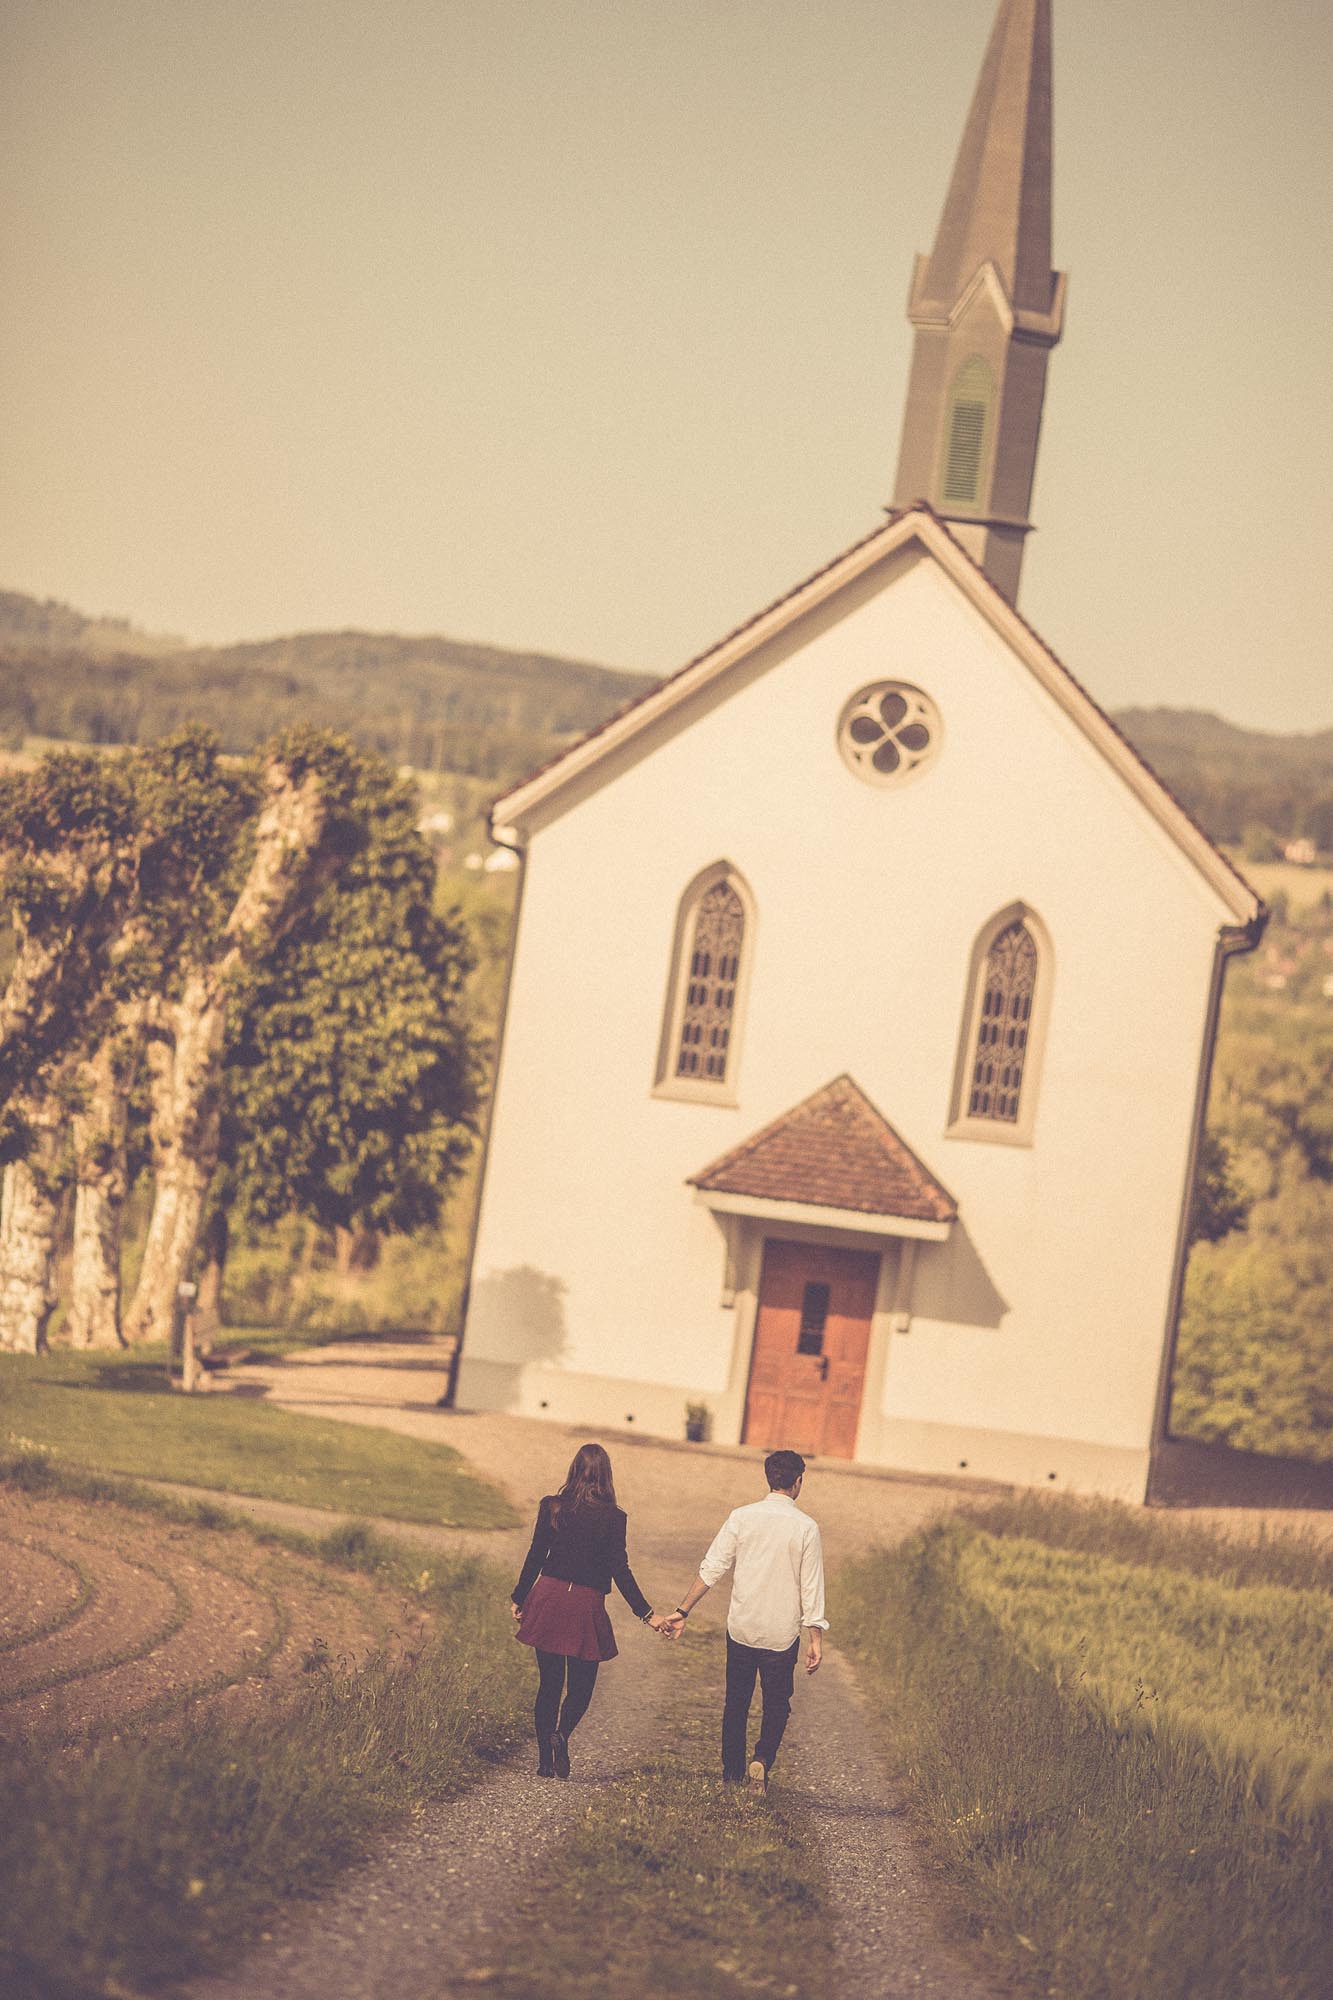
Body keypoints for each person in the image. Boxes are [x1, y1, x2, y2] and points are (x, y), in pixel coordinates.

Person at [662, 1448, 825, 1792]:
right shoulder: (806, 1528)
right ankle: (762, 1760)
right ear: (798, 1482)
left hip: (742, 1627)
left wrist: (683, 1610)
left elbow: (713, 1567)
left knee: (736, 1702)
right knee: (777, 1704)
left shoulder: (742, 1517)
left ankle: (732, 1774)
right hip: (781, 1633)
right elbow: (811, 1587)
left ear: (769, 1479)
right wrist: (815, 1639)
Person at [511, 1441, 669, 1777]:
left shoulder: (552, 1507)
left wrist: (520, 1596)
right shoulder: (614, 1518)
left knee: (549, 1684)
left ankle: (543, 1763)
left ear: (573, 1470)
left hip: (549, 1597)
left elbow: (536, 1555)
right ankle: (561, 1735)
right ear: (607, 1475)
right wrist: (647, 1614)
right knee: (581, 1689)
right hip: (585, 1605)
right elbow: (619, 1568)